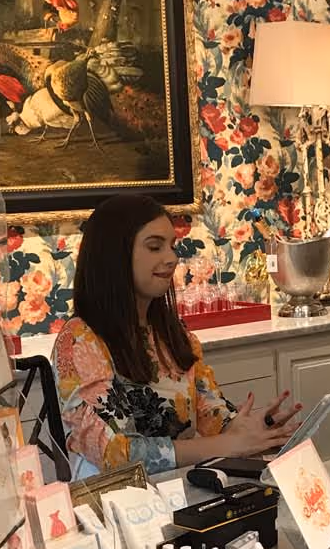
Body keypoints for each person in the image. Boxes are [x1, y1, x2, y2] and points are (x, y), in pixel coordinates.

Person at [54, 195, 301, 477]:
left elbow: (209, 411)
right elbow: (114, 453)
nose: (171, 258)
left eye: (172, 246)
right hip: (115, 498)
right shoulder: (79, 339)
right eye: (154, 247)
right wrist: (225, 444)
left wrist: (248, 428)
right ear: (113, 254)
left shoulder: (174, 333)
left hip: (181, 487)